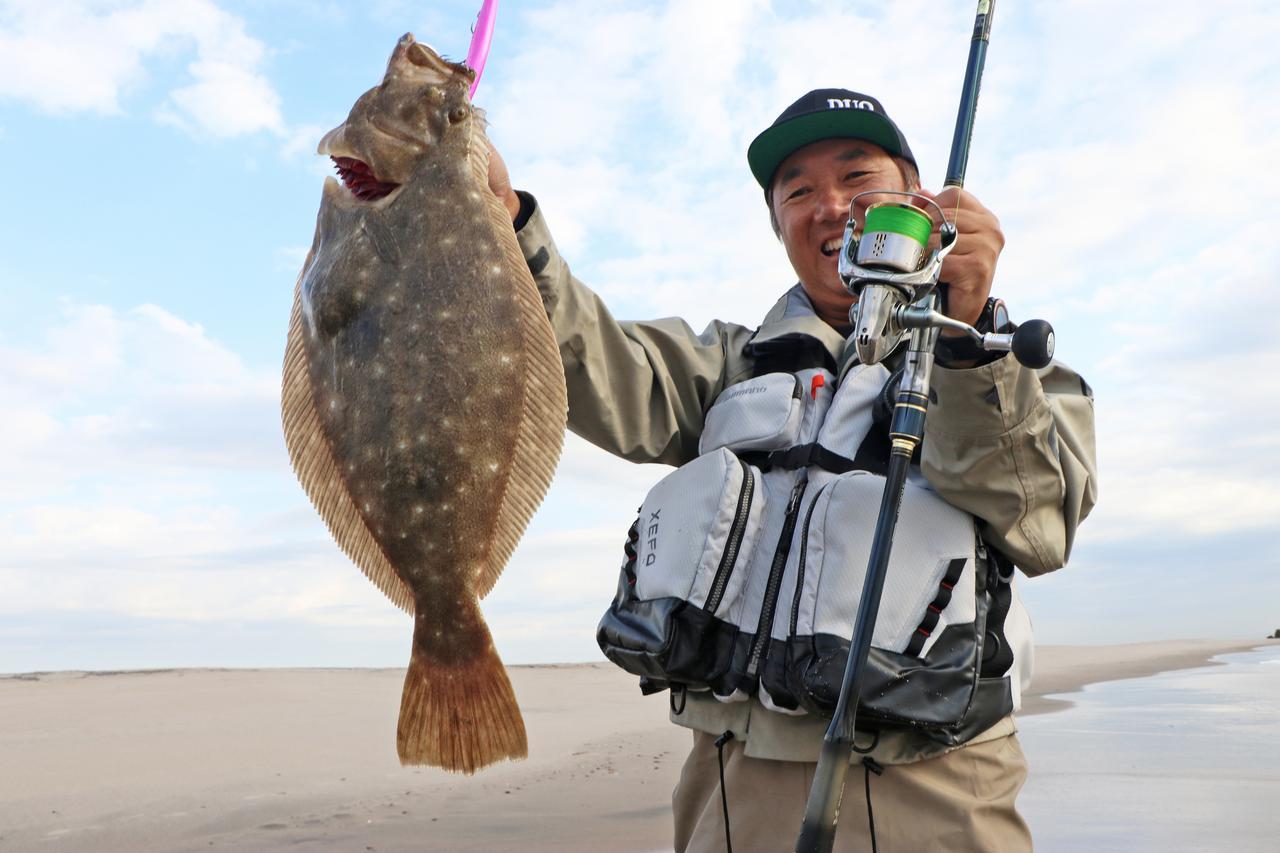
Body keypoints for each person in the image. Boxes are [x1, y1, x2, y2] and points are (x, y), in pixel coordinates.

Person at [486, 89, 1097, 852]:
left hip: (936, 795)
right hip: (730, 797)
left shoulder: (1013, 364)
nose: (831, 205)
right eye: (798, 191)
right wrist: (507, 226)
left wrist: (966, 341)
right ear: (778, 225)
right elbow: (581, 354)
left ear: (921, 203)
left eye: (858, 179)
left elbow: (1043, 522)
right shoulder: (728, 366)